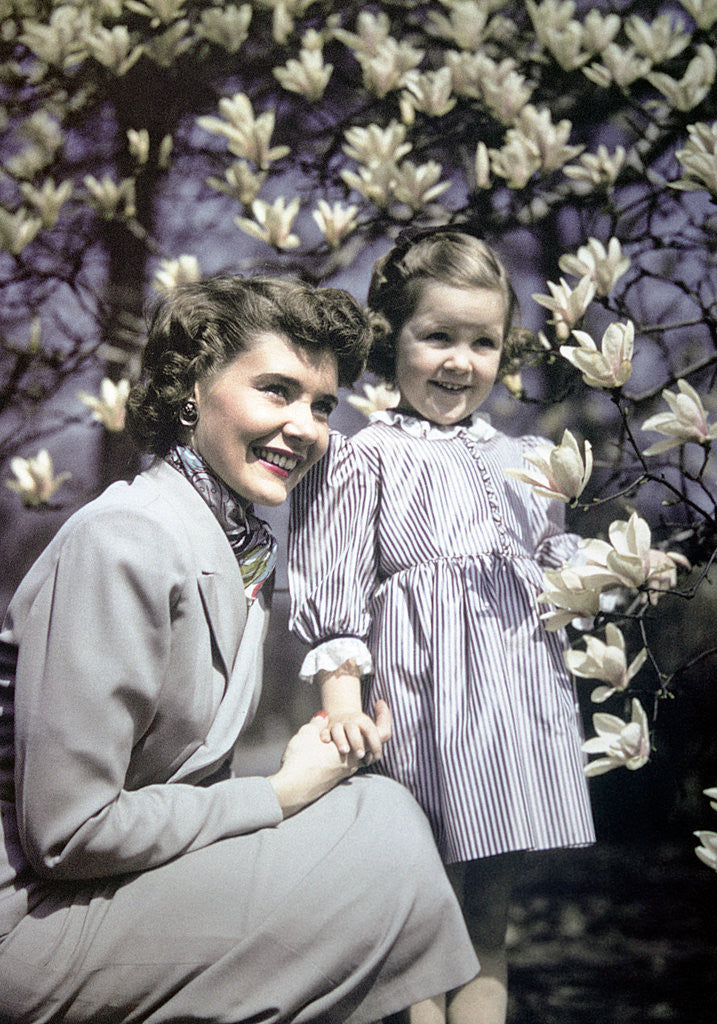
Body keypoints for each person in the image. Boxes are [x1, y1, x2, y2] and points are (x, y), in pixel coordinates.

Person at [0, 275, 480, 1024]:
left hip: (116, 885)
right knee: (374, 857)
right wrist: (280, 792)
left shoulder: (232, 545)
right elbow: (69, 832)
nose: (307, 427)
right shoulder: (122, 541)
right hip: (33, 922)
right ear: (192, 389)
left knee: (379, 810)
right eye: (277, 390)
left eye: (321, 404)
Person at [288, 232, 596, 1024]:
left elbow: (557, 572)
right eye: (438, 338)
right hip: (422, 707)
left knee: (488, 919)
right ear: (395, 338)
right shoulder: (364, 458)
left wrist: (609, 576)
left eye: (482, 342)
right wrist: (341, 700)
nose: (460, 361)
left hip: (512, 709)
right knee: (419, 919)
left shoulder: (530, 459)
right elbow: (335, 586)